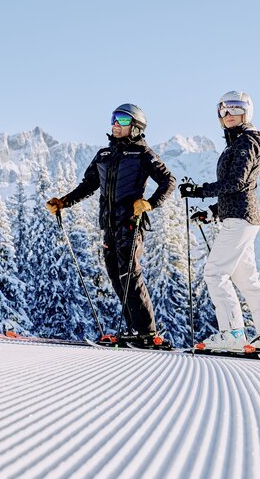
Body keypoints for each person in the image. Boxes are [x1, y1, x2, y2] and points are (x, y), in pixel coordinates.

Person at [46, 103, 175, 347]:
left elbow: (169, 181)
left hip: (130, 224)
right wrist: (63, 202)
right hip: (108, 226)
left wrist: (149, 204)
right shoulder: (104, 155)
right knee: (116, 277)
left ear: (136, 128)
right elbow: (88, 186)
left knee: (130, 277)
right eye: (114, 119)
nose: (116, 124)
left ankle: (147, 333)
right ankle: (132, 329)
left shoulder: (143, 154)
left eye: (123, 120)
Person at [179, 91, 260, 356]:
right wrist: (213, 212)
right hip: (241, 216)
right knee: (246, 278)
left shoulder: (246, 142)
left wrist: (198, 190)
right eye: (223, 109)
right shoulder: (239, 143)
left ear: (246, 112)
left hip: (240, 219)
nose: (228, 114)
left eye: (235, 108)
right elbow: (240, 189)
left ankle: (233, 334)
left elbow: (236, 183)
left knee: (215, 273)